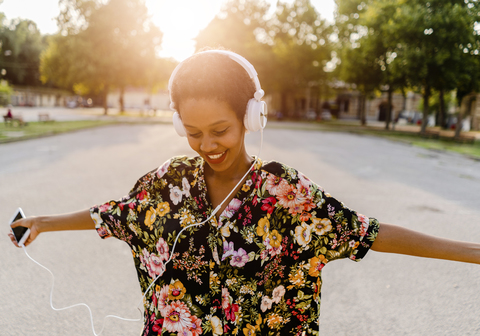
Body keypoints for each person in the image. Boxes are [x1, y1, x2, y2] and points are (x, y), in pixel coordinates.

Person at [9, 49, 480, 336]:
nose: (207, 145)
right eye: (192, 132)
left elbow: (368, 233)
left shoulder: (284, 192)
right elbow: (115, 215)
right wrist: (45, 223)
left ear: (250, 118)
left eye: (220, 129)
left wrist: (472, 252)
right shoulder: (165, 184)